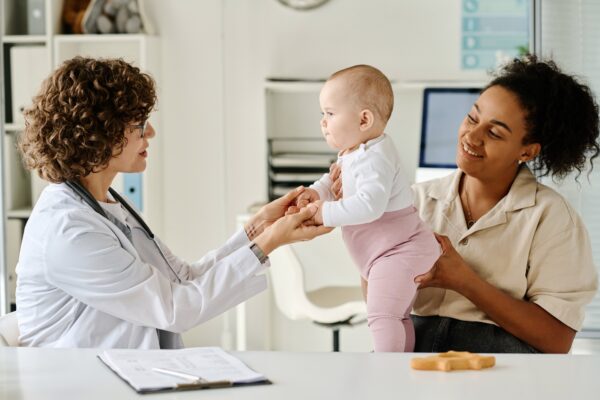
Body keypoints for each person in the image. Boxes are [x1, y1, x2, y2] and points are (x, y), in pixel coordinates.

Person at [15, 57, 331, 349]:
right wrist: (268, 243)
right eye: (139, 124)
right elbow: (174, 308)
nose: (150, 132)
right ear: (101, 133)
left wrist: (260, 228)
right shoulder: (68, 229)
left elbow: (181, 278)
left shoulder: (106, 204)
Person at [328, 55, 599, 353]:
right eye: (472, 117)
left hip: (501, 361)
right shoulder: (413, 199)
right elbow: (378, 297)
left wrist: (465, 281)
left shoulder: (551, 219)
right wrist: (362, 213)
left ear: (527, 151)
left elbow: (556, 340)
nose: (472, 136)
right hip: (412, 351)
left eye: (494, 132)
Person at [290, 65, 440, 352]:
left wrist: (324, 213)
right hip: (384, 254)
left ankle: (385, 374)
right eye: (323, 114)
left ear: (363, 120)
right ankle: (399, 371)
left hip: (399, 250)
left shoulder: (376, 156)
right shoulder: (355, 152)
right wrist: (315, 192)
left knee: (382, 316)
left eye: (330, 113)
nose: (323, 122)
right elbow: (334, 179)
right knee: (396, 317)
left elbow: (370, 205)